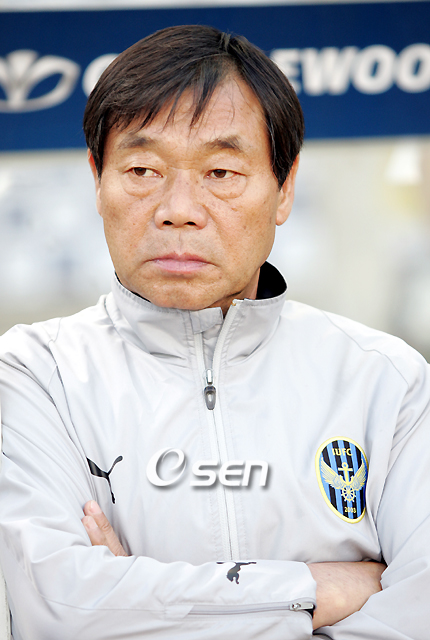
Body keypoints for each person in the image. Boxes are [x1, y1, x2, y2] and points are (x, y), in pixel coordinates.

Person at [0, 24, 428, 640]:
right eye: (143, 169)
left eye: (222, 172)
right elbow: (62, 610)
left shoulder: (386, 380)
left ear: (284, 188)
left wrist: (133, 597)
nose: (178, 209)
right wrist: (318, 590)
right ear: (97, 178)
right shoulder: (36, 374)